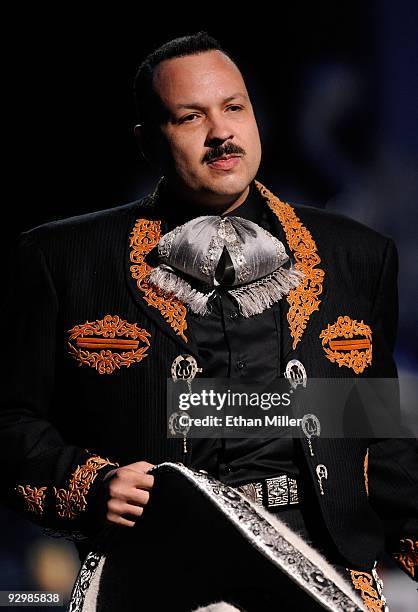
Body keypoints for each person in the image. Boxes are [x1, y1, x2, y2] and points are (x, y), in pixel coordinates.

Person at [0, 32, 416, 611]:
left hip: (319, 564)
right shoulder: (62, 257)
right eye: (190, 117)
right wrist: (89, 484)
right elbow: (12, 417)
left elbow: (373, 439)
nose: (221, 133)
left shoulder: (358, 255)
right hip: (156, 566)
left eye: (234, 108)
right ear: (148, 140)